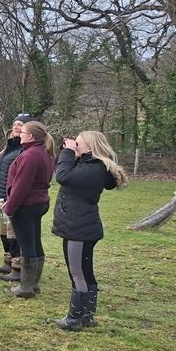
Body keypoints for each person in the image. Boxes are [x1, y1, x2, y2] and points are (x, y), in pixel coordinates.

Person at [51, 131, 128, 330]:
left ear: (90, 148)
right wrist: (69, 154)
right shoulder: (89, 165)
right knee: (85, 272)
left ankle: (75, 318)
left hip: (78, 229)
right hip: (81, 226)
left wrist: (68, 154)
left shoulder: (93, 169)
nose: (73, 145)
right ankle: (86, 316)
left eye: (77, 143)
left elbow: (62, 176)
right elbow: (62, 169)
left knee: (77, 273)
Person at [2, 120, 56, 298]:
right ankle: (34, 284)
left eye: (23, 132)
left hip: (26, 205)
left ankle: (25, 287)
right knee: (35, 243)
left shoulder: (30, 155)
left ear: (30, 136)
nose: (20, 134)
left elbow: (21, 186)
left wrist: (9, 207)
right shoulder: (44, 153)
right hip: (38, 203)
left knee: (27, 246)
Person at [0, 114, 33, 282]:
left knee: (14, 235)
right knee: (4, 233)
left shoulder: (25, 149)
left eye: (20, 124)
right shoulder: (10, 146)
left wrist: (11, 197)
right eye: (14, 124)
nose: (15, 127)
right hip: (2, 196)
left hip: (14, 198)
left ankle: (17, 268)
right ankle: (7, 262)